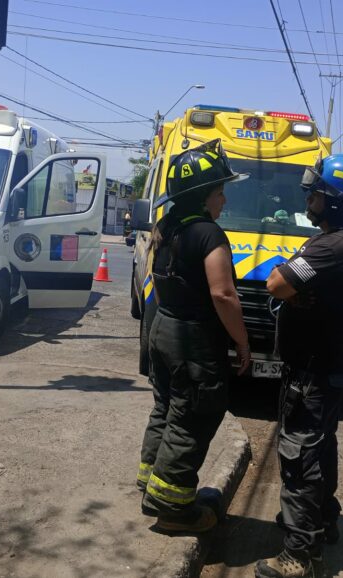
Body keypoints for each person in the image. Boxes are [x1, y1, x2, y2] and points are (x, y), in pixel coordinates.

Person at [255, 154, 343, 578]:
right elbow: (292, 285)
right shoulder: (337, 241)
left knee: (301, 457)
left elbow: (276, 283)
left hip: (313, 371)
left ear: (336, 199)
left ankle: (298, 555)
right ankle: (322, 521)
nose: (310, 198)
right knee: (319, 450)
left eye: (317, 192)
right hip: (318, 366)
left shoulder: (334, 245)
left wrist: (286, 284)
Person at [137, 139, 252, 533]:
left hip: (163, 330)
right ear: (204, 195)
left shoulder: (166, 225)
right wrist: (241, 341)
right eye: (220, 191)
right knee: (192, 418)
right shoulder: (209, 235)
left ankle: (151, 481)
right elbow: (223, 294)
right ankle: (172, 509)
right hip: (194, 343)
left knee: (165, 409)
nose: (223, 199)